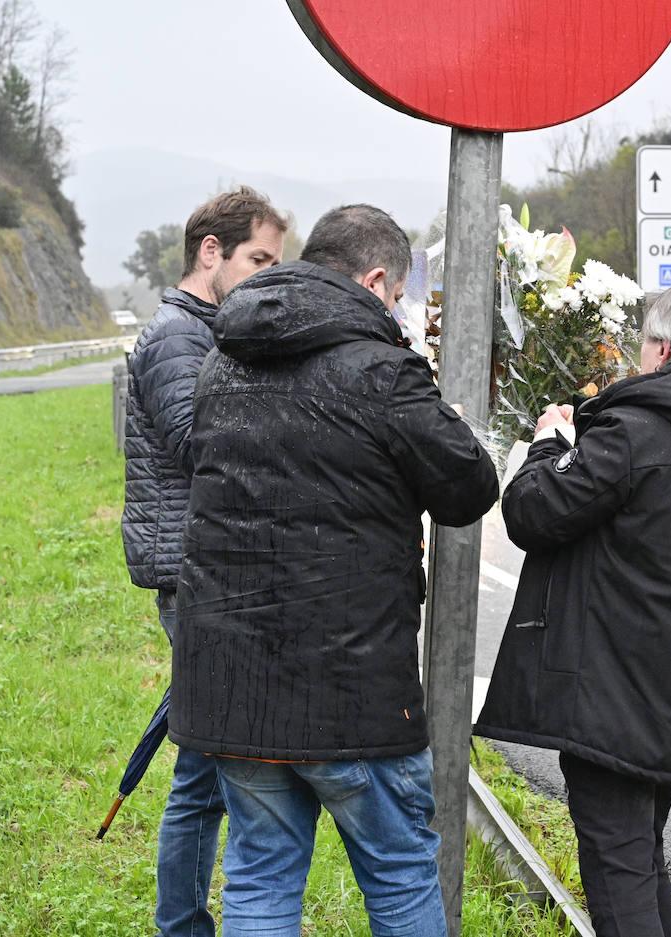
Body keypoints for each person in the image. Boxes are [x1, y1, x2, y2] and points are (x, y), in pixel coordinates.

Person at [169, 204, 500, 937]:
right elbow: (469, 486)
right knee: (400, 870)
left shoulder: (224, 360)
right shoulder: (382, 371)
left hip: (234, 686)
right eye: (402, 295)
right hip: (354, 696)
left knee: (258, 875)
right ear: (378, 280)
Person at [475, 276, 671, 937]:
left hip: (616, 695)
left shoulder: (634, 434)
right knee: (640, 849)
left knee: (617, 861)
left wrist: (547, 444)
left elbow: (533, 513)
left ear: (664, 349)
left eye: (645, 339)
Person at [121, 186, 287, 937]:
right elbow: (200, 444)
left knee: (203, 768)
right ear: (210, 253)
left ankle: (182, 921)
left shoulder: (206, 331)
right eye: (257, 259)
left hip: (209, 569)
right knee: (206, 775)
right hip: (195, 575)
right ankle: (183, 924)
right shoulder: (177, 339)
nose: (264, 277)